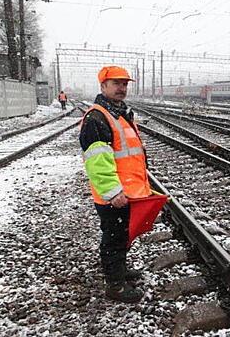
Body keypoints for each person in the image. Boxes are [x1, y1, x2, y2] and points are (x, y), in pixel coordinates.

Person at [79, 66, 150, 303]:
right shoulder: (97, 117)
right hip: (114, 195)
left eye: (125, 84)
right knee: (113, 238)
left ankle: (119, 271)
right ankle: (115, 286)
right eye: (116, 83)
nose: (122, 88)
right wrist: (112, 191)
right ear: (103, 86)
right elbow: (97, 161)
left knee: (121, 236)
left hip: (127, 191)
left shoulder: (120, 113)